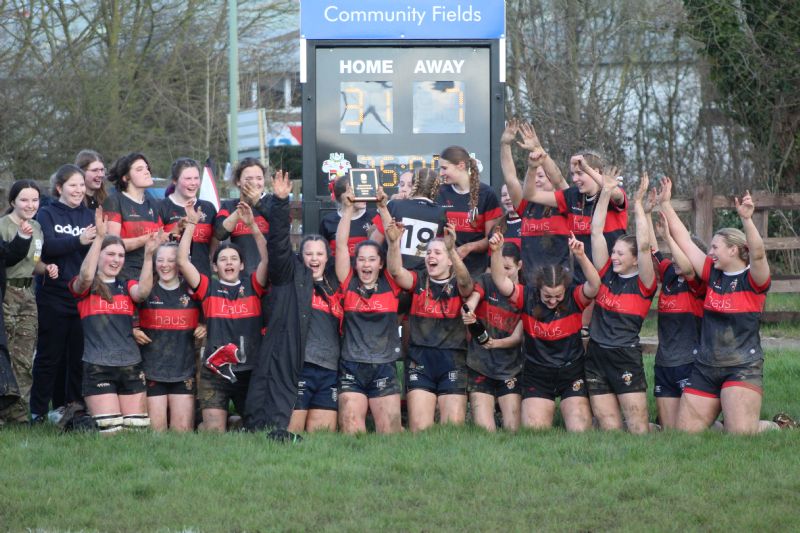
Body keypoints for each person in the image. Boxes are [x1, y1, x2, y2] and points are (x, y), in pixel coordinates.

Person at [659, 178, 771, 434]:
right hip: (706, 366)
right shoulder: (712, 274)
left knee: (741, 435)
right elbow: (686, 241)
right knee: (685, 435)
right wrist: (666, 204)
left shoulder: (754, 279)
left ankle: (773, 426)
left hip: (741, 366)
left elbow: (758, 254)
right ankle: (724, 421)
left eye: (715, 247)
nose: (709, 252)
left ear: (733, 250)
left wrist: (747, 219)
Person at [246, 171, 342, 435]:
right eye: (308, 253)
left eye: (319, 253)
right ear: (301, 256)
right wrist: (278, 201)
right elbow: (277, 242)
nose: (313, 258)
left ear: (327, 257)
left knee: (321, 438)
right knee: (290, 434)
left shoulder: (336, 283)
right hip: (298, 367)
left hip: (329, 368)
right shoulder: (290, 277)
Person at [490, 232, 600, 432]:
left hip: (570, 371)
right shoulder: (526, 296)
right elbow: (500, 281)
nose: (552, 300)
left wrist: (581, 256)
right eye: (547, 296)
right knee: (535, 432)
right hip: (537, 372)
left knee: (580, 431)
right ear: (538, 288)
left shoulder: (574, 297)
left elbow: (595, 285)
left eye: (558, 296)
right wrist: (496, 252)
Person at [69, 208, 159, 434]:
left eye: (120, 255)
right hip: (97, 366)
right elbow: (87, 276)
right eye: (110, 254)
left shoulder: (126, 285)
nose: (116, 259)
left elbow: (143, 292)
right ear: (98, 255)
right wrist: (99, 237)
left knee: (136, 431)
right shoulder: (83, 287)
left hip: (130, 364)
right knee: (111, 430)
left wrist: (148, 256)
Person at [181, 200, 268, 432]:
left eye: (233, 259)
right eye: (223, 259)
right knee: (213, 433)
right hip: (216, 371)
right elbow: (182, 261)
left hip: (249, 370)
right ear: (215, 267)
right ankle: (226, 422)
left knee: (257, 429)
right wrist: (191, 224)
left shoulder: (253, 285)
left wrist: (253, 227)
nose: (228, 263)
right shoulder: (208, 287)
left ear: (242, 265)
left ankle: (237, 422)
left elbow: (268, 259)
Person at [385, 214, 473, 432]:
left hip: (452, 358)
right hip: (420, 358)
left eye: (437, 252)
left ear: (450, 259)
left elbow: (466, 282)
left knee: (452, 430)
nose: (430, 256)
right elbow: (396, 272)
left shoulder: (458, 283)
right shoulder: (419, 280)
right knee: (419, 429)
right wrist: (394, 243)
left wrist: (452, 249)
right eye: (428, 252)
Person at [585, 172, 656, 434]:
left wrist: (636, 202)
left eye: (620, 253)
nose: (613, 257)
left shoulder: (644, 282)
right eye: (613, 252)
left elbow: (646, 244)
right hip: (596, 354)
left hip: (624, 355)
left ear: (635, 259)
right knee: (610, 429)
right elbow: (595, 231)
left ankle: (657, 430)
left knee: (638, 429)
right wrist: (605, 192)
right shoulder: (605, 273)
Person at [30, 165, 97, 424]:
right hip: (53, 295)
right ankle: (37, 412)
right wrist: (78, 241)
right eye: (73, 185)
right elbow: (46, 247)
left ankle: (71, 409)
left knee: (77, 356)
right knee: (49, 356)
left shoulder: (89, 215)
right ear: (59, 188)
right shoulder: (46, 214)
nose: (79, 190)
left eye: (81, 185)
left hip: (81, 296)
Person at [335, 188, 402, 434]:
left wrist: (383, 208)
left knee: (390, 433)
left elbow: (393, 240)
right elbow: (341, 245)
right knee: (352, 431)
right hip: (352, 364)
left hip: (384, 364)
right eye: (361, 259)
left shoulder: (391, 283)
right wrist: (349, 208)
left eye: (372, 259)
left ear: (380, 263)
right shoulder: (348, 282)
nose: (366, 264)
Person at [646, 192, 706, 429]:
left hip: (689, 363)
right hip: (664, 363)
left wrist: (671, 237)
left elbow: (690, 271)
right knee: (670, 432)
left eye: (681, 253)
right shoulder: (670, 275)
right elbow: (652, 251)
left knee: (689, 430)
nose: (674, 258)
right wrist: (647, 213)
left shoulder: (698, 283)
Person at [0, 181, 56, 423]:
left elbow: (35, 262)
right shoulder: (3, 227)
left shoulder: (37, 227)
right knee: (5, 354)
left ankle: (19, 414)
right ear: (13, 202)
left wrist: (47, 268)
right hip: (6, 294)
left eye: (34, 200)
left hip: (28, 295)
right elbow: (8, 261)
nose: (30, 205)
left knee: (23, 356)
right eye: (24, 200)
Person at [135, 242, 203, 432]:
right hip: (152, 370)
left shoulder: (193, 292)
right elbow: (127, 314)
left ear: (181, 263)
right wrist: (133, 329)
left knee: (181, 433)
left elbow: (212, 312)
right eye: (161, 260)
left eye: (171, 260)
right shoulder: (146, 290)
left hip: (183, 370)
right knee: (157, 433)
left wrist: (204, 325)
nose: (165, 265)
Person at [463, 239, 524, 432]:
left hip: (511, 368)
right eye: (498, 266)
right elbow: (473, 299)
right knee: (484, 430)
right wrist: (469, 310)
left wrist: (494, 344)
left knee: (513, 428)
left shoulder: (526, 294)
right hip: (480, 365)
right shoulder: (485, 281)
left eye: (507, 267)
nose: (502, 273)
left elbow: (517, 338)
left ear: (519, 266)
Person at [500, 120, 570, 277]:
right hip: (530, 283)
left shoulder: (566, 202)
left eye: (541, 175)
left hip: (558, 284)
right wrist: (505, 144)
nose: (536, 179)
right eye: (533, 175)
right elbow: (510, 178)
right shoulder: (526, 205)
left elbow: (558, 178)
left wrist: (538, 149)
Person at [437, 145, 503, 276]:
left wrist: (468, 247)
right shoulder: (440, 192)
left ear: (461, 166)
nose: (441, 173)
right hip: (446, 269)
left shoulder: (487, 194)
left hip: (476, 270)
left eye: (444, 168)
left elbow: (492, 238)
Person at [369, 168, 447, 270]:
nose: (404, 189)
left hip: (393, 273)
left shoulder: (394, 205)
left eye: (409, 185)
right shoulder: (441, 213)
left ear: (415, 185)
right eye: (401, 184)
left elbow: (374, 242)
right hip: (424, 276)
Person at [104, 152, 163, 280]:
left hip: (152, 273)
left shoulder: (153, 202)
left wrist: (177, 230)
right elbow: (113, 245)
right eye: (139, 169)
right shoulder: (114, 201)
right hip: (125, 274)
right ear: (126, 177)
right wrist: (147, 239)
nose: (147, 172)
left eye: (147, 168)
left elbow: (160, 238)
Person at [158, 158, 217, 279]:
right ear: (175, 180)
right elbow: (156, 244)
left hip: (203, 278)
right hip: (171, 278)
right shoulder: (161, 207)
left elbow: (214, 244)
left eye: (196, 178)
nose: (193, 183)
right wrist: (177, 229)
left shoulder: (208, 208)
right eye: (188, 179)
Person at [213, 157, 270, 275]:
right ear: (238, 181)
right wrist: (240, 210)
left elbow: (280, 224)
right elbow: (220, 234)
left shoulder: (272, 202)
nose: (255, 183)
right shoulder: (228, 206)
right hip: (242, 277)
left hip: (270, 275)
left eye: (259, 178)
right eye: (249, 179)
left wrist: (257, 203)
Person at [319, 175, 376, 260]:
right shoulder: (328, 221)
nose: (362, 195)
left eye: (363, 190)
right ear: (342, 196)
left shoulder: (374, 216)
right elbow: (322, 252)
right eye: (355, 191)